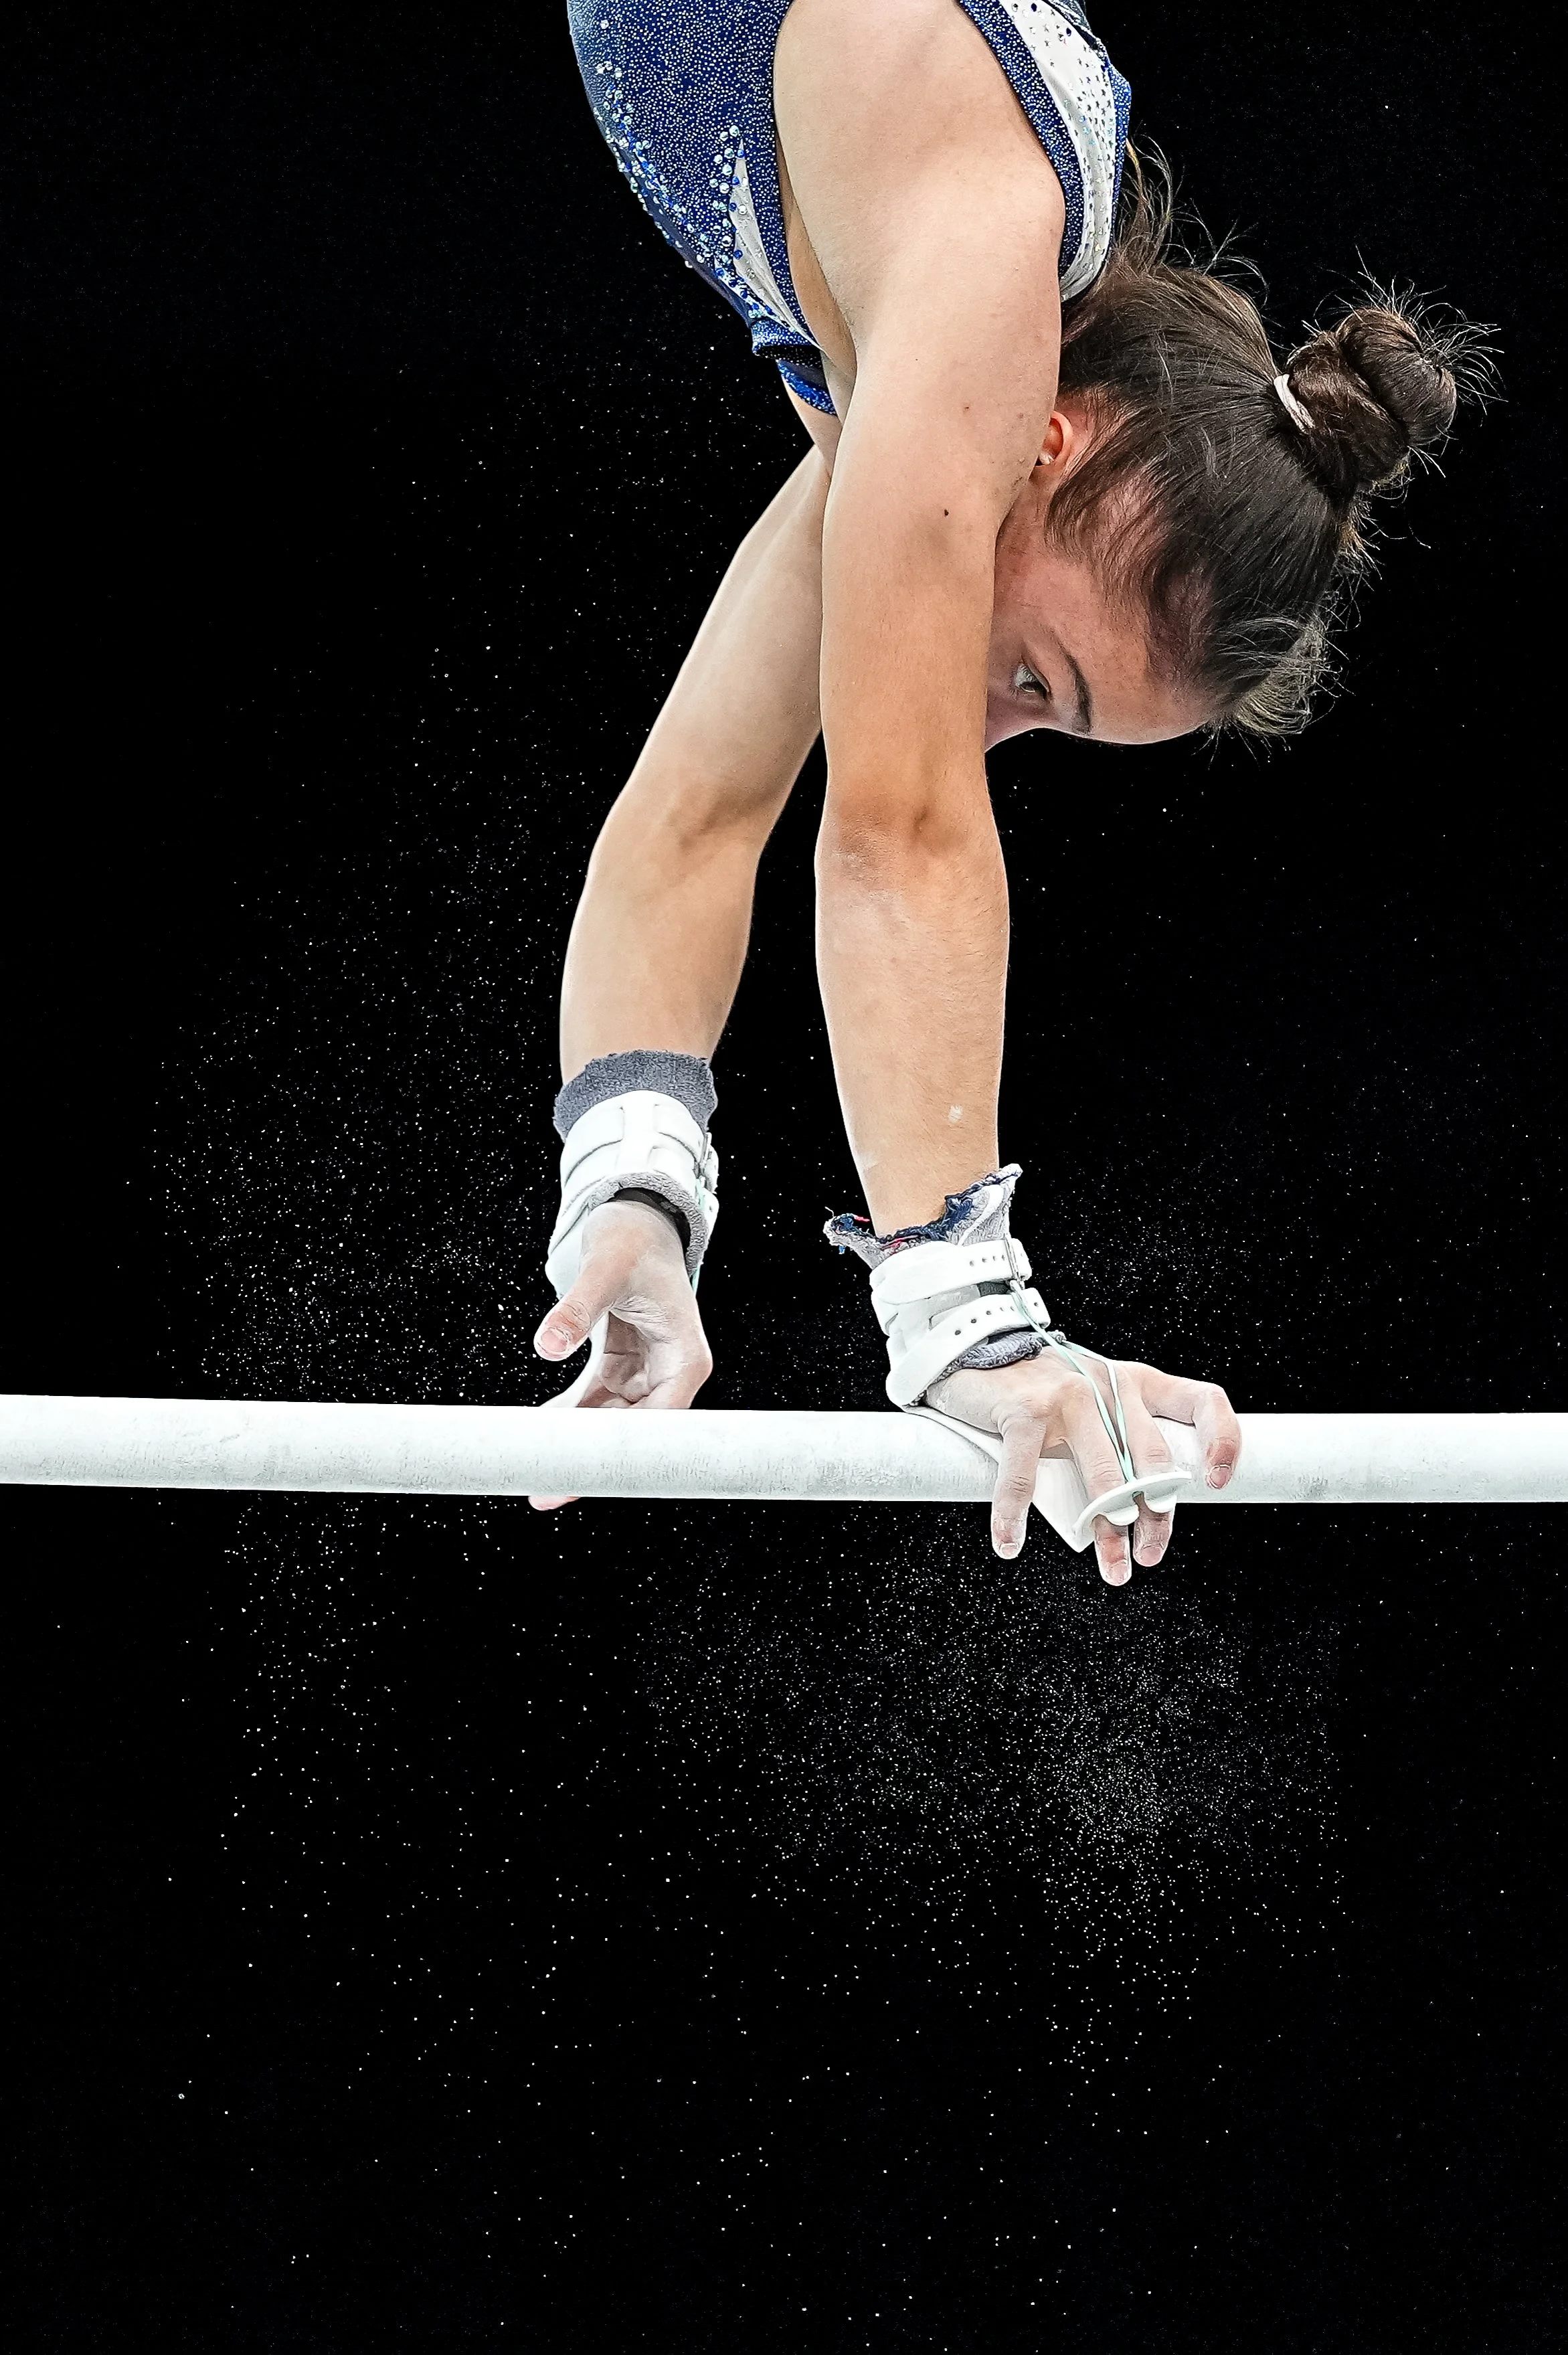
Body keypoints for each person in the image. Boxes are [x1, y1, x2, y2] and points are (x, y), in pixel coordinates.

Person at [529, 0, 1483, 1578]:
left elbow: (696, 812)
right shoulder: (984, 238)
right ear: (1058, 437)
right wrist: (970, 1314)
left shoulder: (882, 387)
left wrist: (628, 1198)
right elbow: (894, 835)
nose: (983, 728)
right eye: (1037, 676)